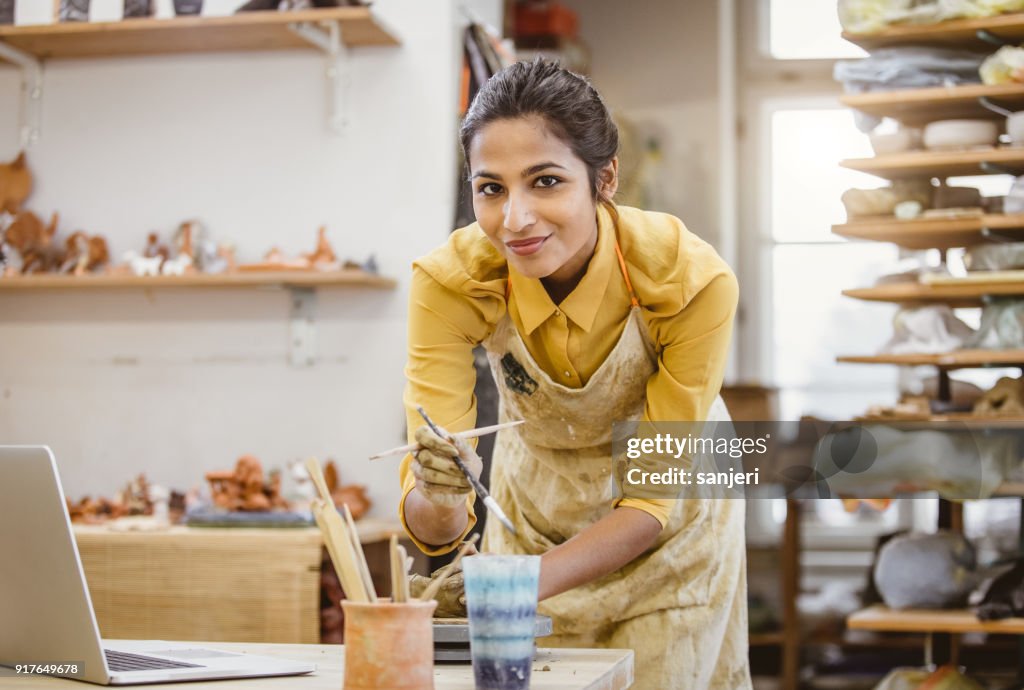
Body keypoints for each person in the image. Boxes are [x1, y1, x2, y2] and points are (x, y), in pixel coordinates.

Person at [399, 58, 751, 689]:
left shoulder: (688, 280)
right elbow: (435, 526)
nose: (516, 220)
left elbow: (649, 503)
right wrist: (442, 493)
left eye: (546, 181)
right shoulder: (450, 282)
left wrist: (510, 582)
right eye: (491, 188)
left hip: (673, 533)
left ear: (604, 178)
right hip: (533, 511)